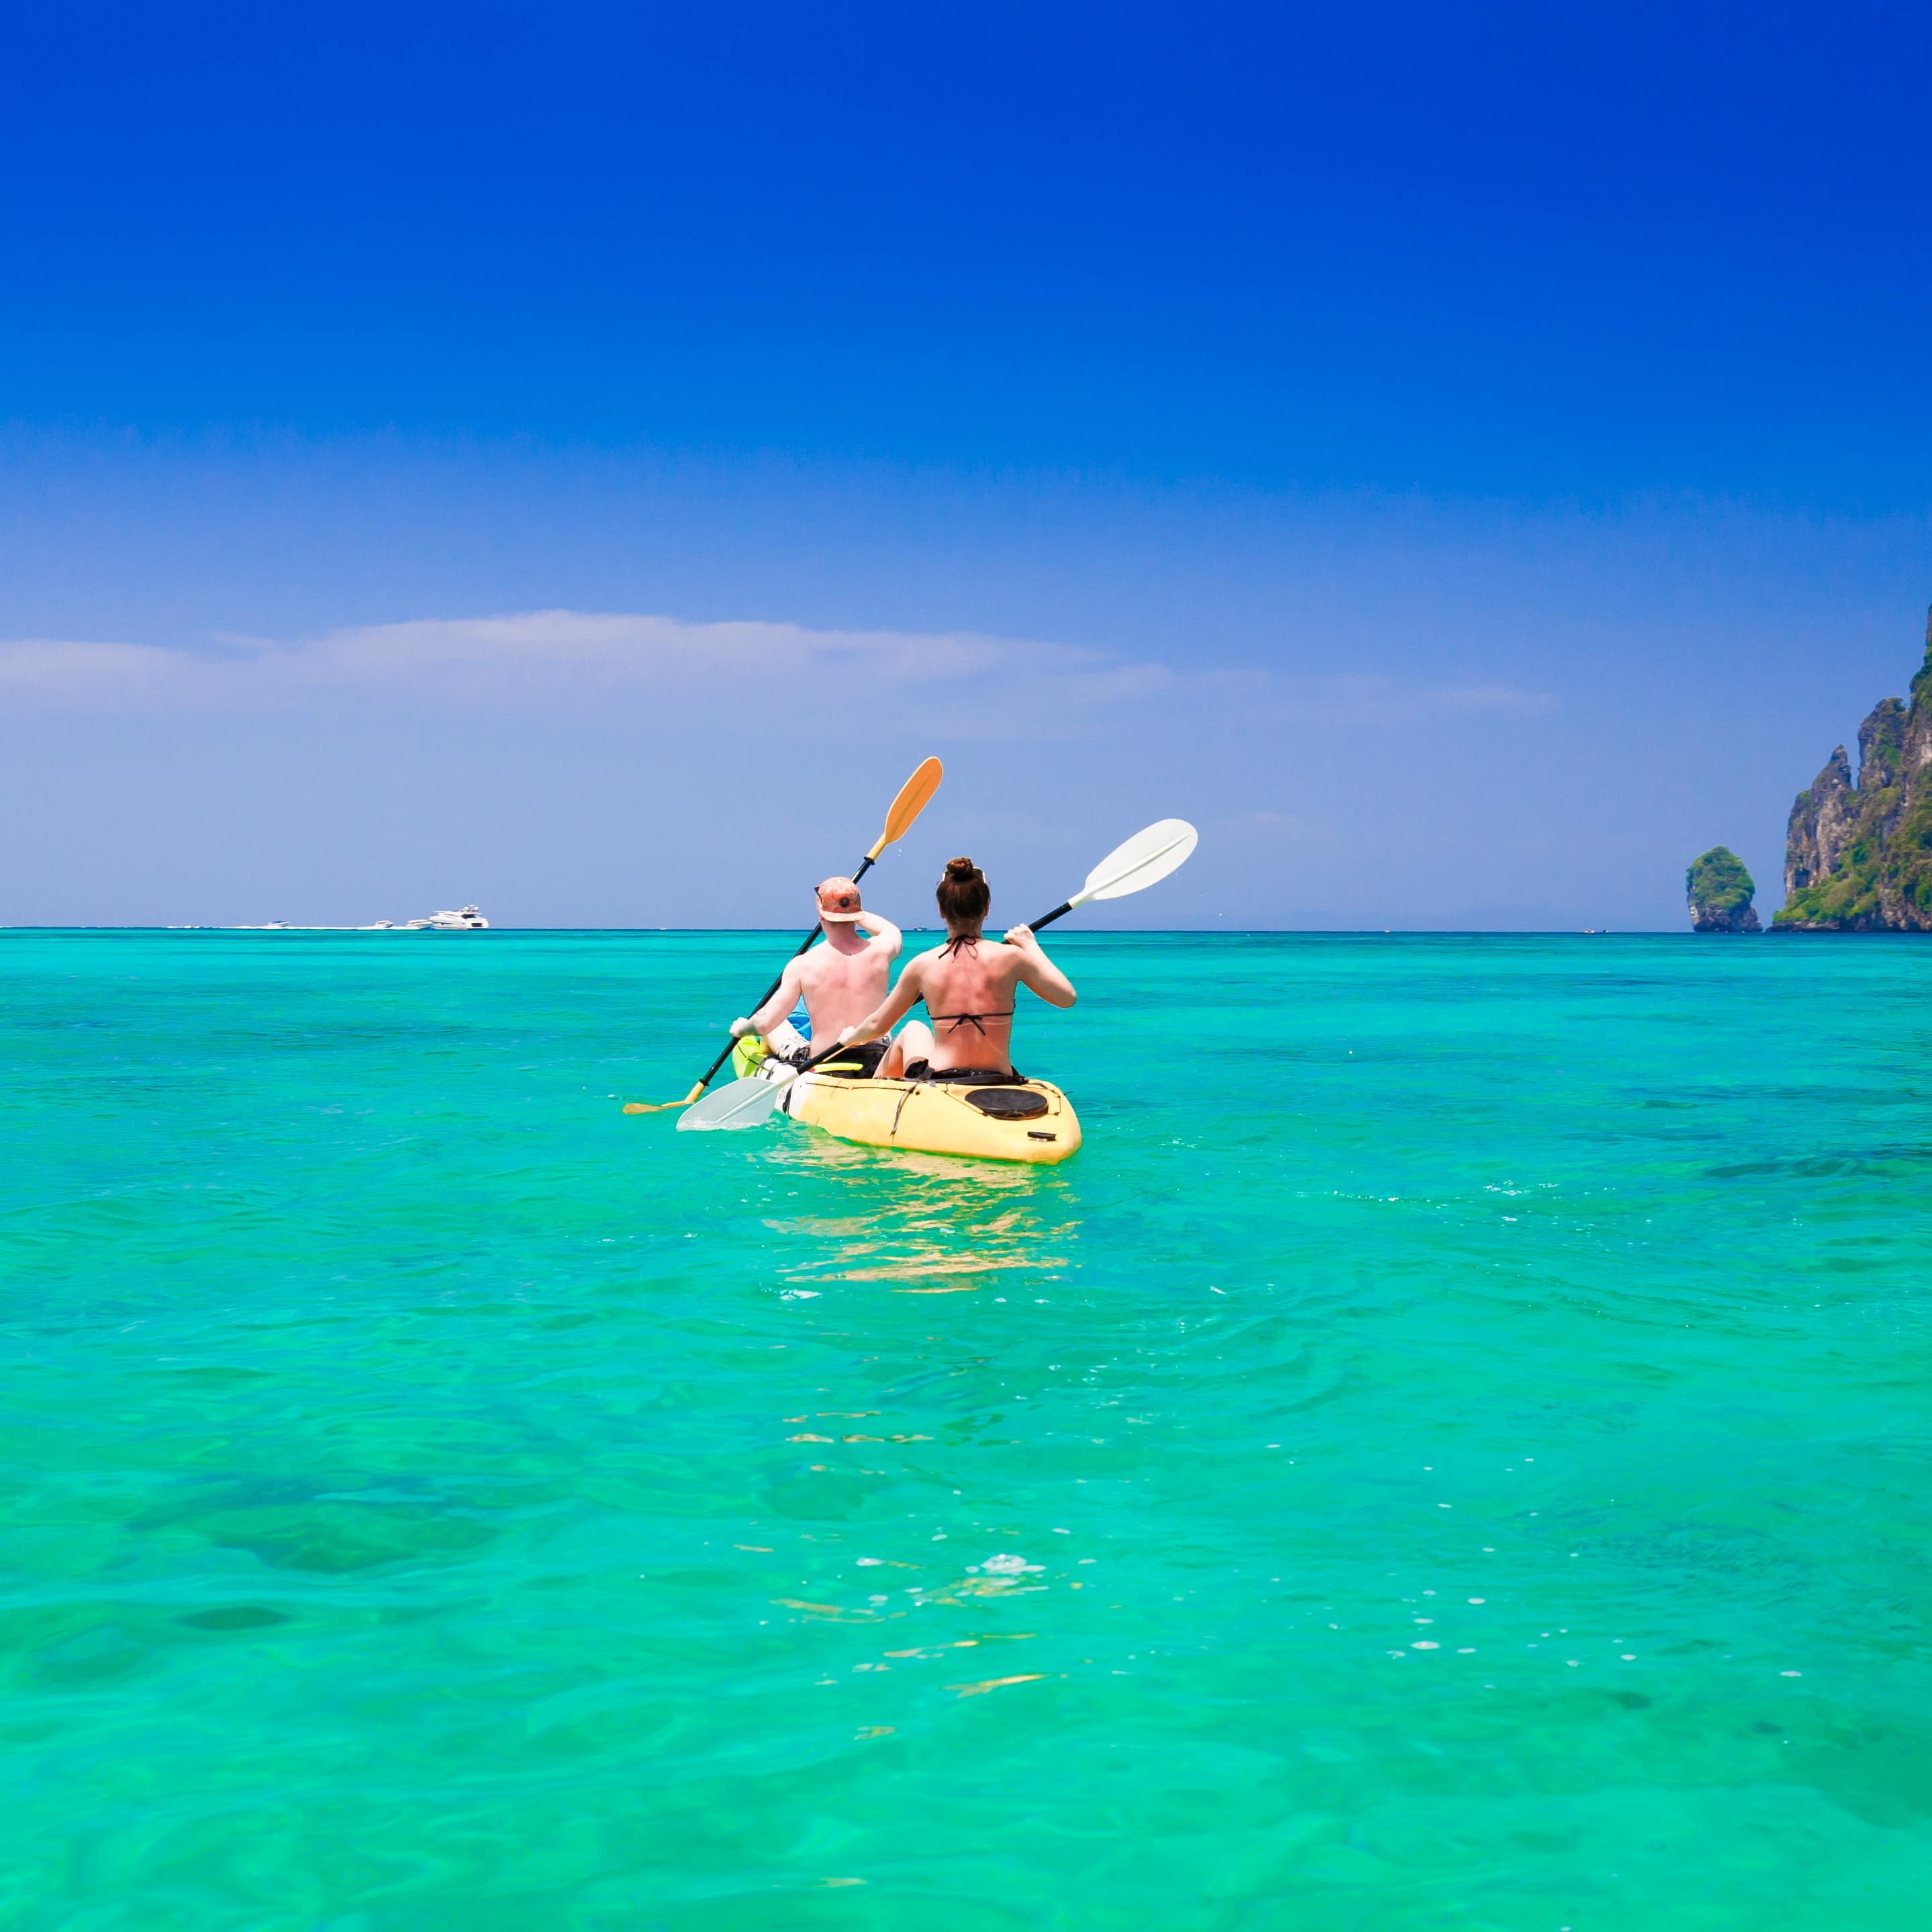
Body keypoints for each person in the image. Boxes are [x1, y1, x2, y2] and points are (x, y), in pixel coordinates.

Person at [835, 857, 1075, 1081]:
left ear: (942, 911)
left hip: (943, 1077)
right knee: (914, 1029)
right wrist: (1031, 946)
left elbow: (878, 1025)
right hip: (999, 1075)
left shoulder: (923, 965)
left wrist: (851, 1038)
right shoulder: (1013, 957)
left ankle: (874, 1099)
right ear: (986, 909)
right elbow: (1066, 998)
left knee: (913, 1029)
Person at [728, 878, 902, 1078]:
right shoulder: (882, 950)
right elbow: (890, 930)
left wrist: (743, 1027)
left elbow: (766, 1023)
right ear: (858, 913)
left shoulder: (803, 965)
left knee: (773, 1024)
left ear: (821, 913)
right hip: (875, 1058)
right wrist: (851, 908)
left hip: (824, 1063)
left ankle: (771, 1068)